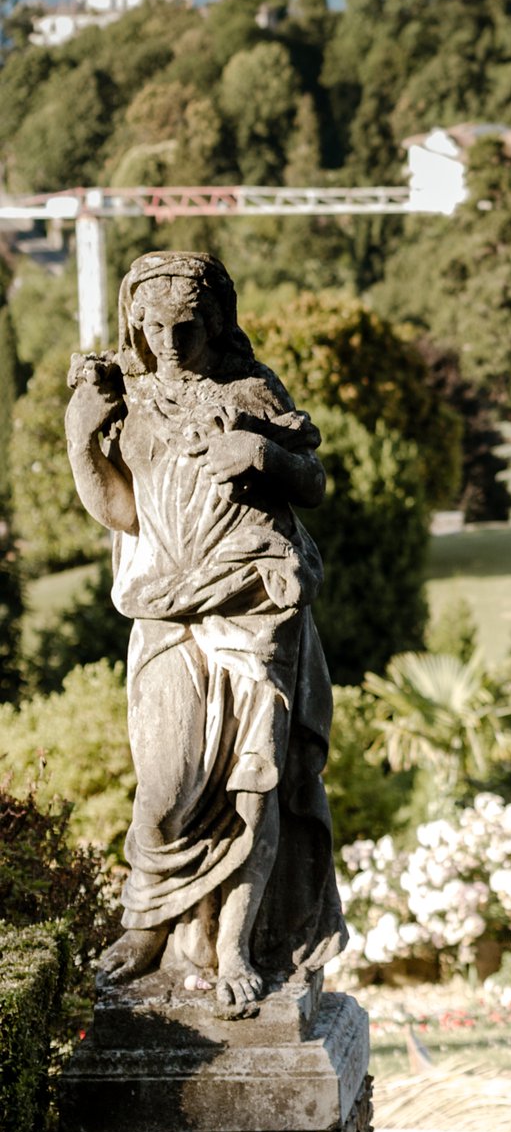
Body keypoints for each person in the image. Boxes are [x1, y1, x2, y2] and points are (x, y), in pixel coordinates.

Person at [66, 249, 346, 1008]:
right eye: (150, 324)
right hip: (163, 607)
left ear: (217, 319)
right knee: (164, 785)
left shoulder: (250, 388)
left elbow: (315, 483)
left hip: (256, 605)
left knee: (253, 787)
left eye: (184, 324)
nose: (166, 340)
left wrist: (258, 451)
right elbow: (123, 512)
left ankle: (234, 944)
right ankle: (148, 922)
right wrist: (80, 440)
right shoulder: (124, 394)